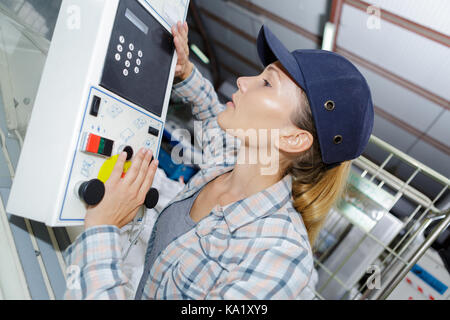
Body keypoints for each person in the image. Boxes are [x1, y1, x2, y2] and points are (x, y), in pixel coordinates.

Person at [64, 21, 373, 299]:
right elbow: (211, 111)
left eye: (267, 83)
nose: (242, 80)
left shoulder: (278, 257)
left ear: (293, 138)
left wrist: (102, 228)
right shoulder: (231, 163)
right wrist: (184, 70)